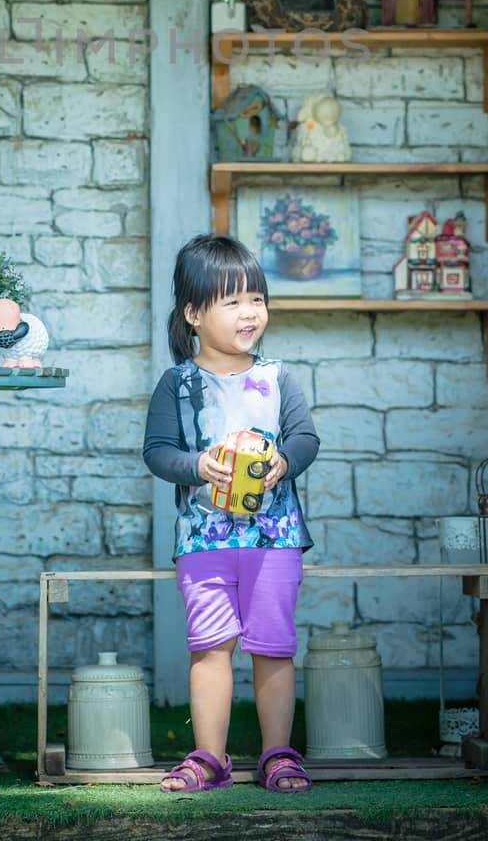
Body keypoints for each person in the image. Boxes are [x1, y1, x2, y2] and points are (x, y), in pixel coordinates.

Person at [143, 233, 319, 794]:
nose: (250, 313)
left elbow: (307, 439)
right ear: (193, 313)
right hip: (203, 541)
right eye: (232, 301)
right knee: (210, 648)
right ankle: (209, 759)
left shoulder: (278, 378)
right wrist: (198, 466)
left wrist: (283, 462)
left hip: (274, 540)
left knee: (273, 647)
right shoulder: (177, 384)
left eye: (257, 299)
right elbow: (157, 452)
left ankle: (278, 756)